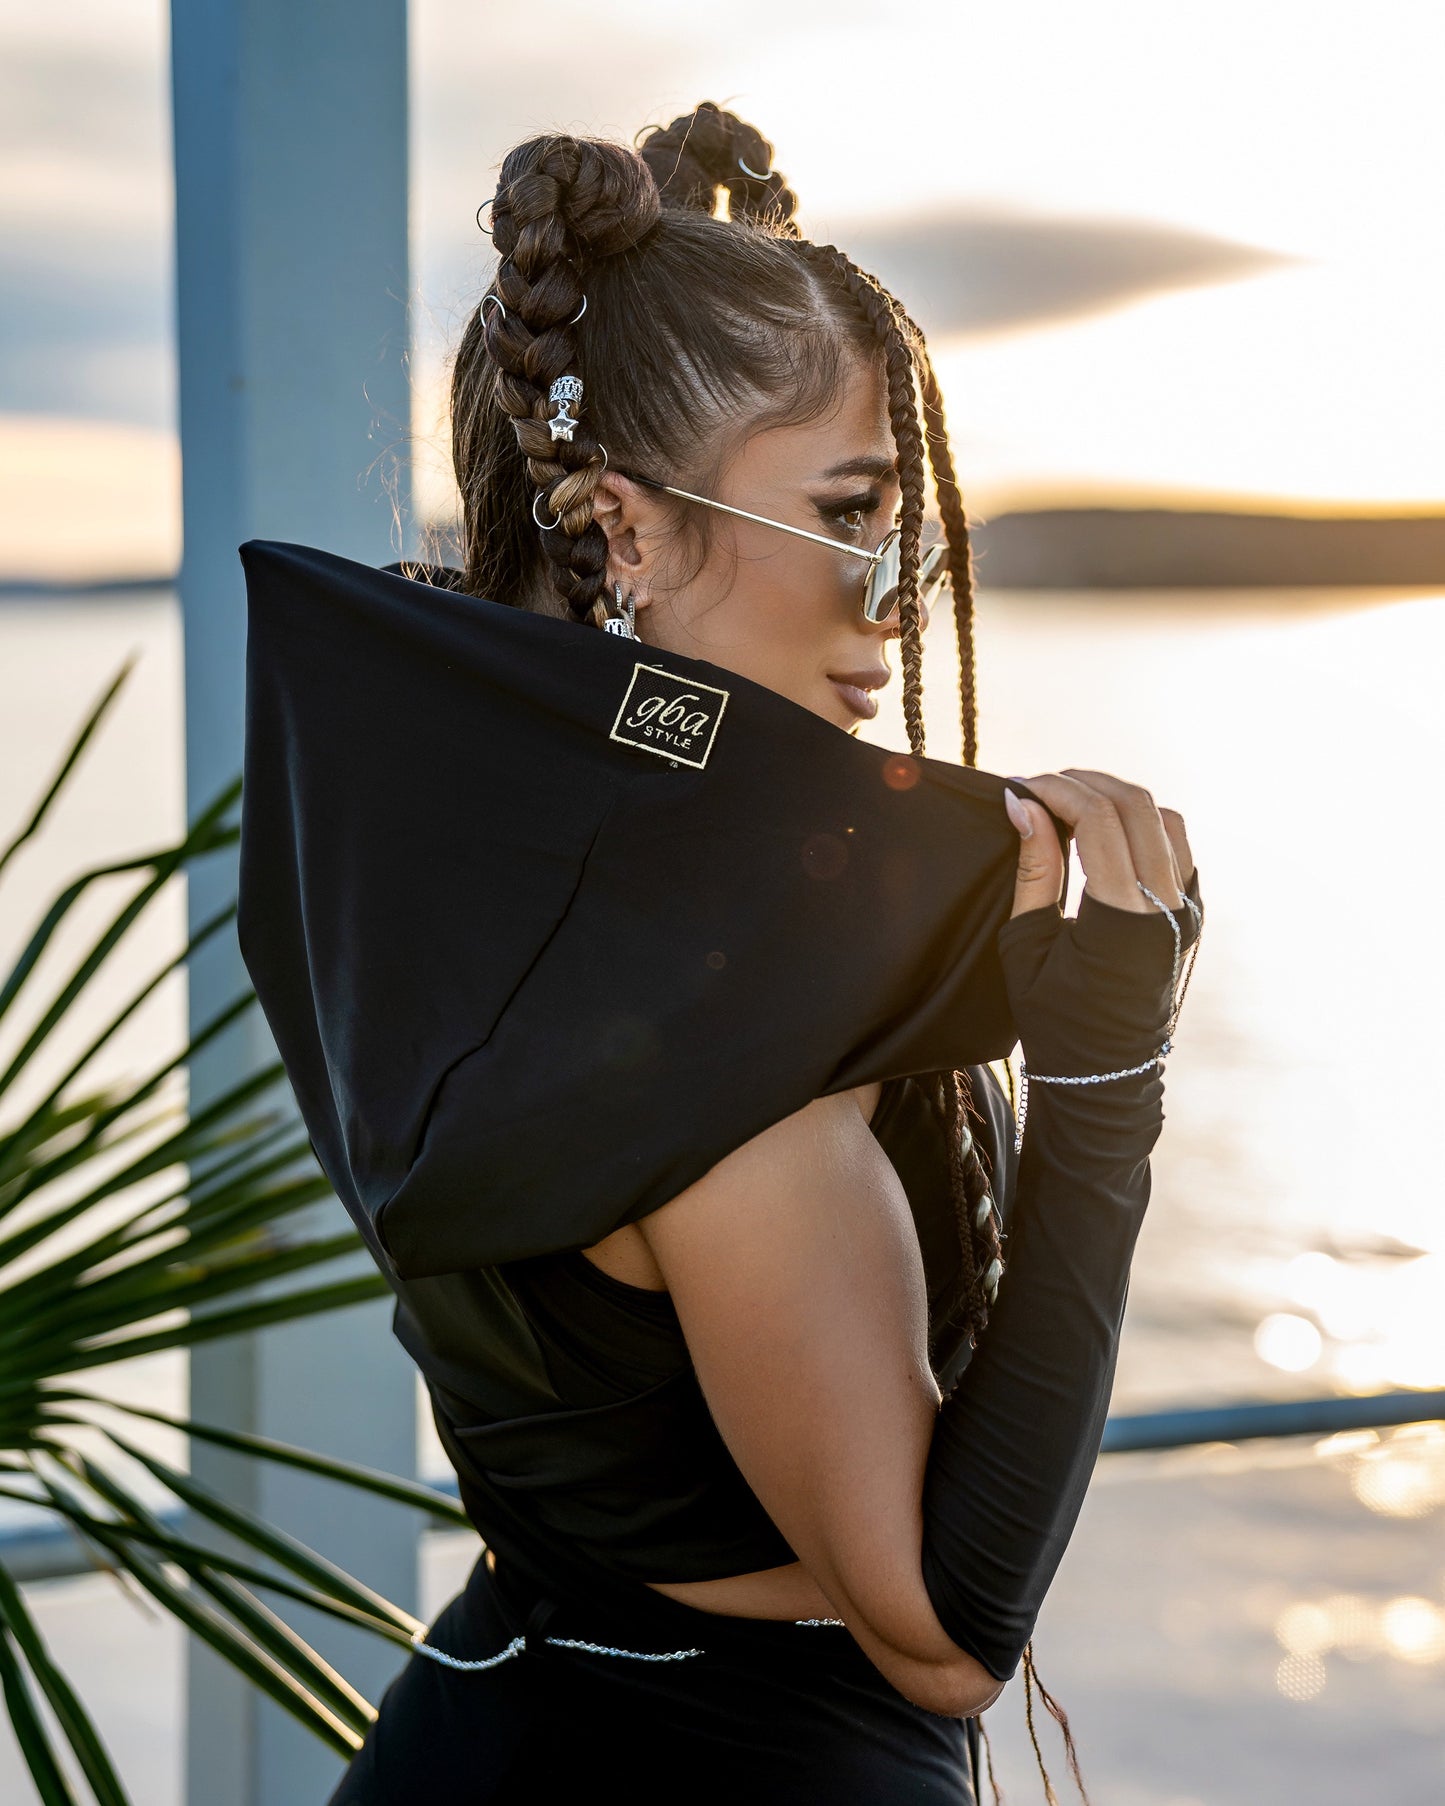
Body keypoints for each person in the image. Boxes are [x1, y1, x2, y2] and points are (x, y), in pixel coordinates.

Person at [238, 102, 1202, 1805]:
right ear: (625, 529)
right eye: (856, 519)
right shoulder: (723, 1062)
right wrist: (1106, 1073)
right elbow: (943, 1633)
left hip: (490, 1717)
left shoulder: (465, 873)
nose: (897, 601)